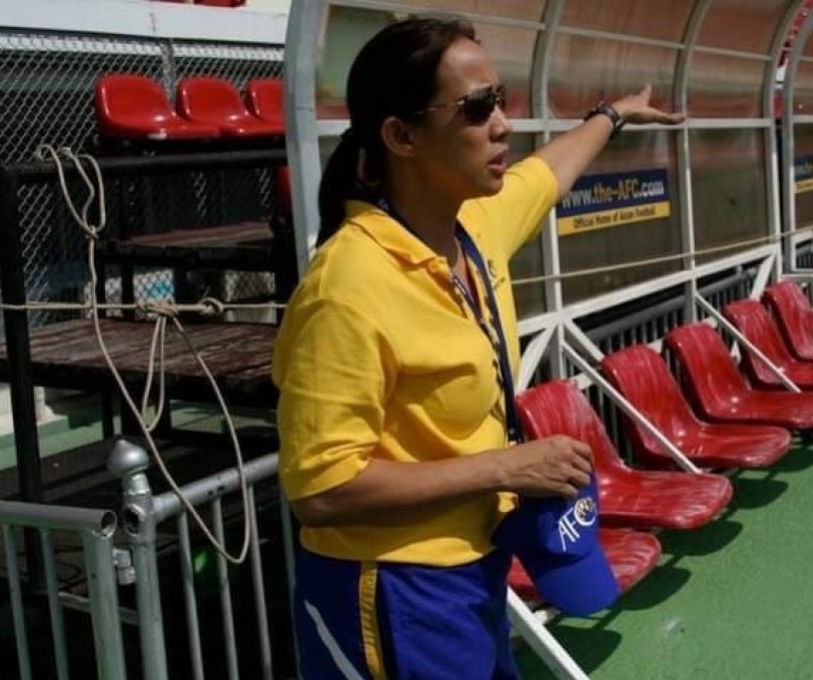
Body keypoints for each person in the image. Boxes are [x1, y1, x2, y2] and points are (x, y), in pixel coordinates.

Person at [272, 15, 684, 680]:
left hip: (471, 567)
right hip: (391, 590)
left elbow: (548, 173)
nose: (503, 126)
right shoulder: (348, 287)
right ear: (401, 136)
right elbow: (321, 490)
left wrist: (613, 114)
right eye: (477, 108)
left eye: (502, 100)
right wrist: (505, 468)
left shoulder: (466, 229)